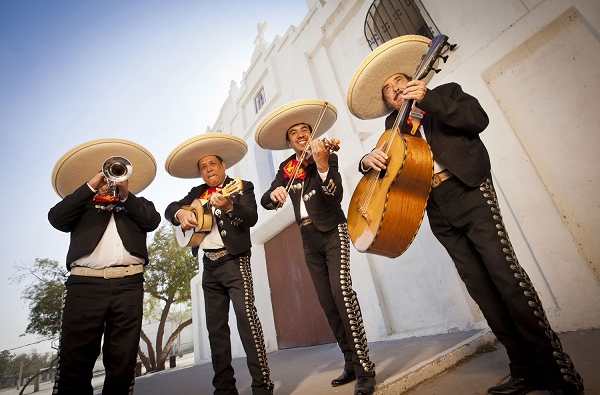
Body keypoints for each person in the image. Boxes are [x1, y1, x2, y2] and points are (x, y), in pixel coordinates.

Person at [347, 34, 584, 395]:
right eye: (387, 89)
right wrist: (366, 161)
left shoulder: (446, 93)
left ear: (413, 80)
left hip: (469, 190)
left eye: (399, 80)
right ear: (386, 102)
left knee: (506, 278)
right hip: (435, 208)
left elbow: (478, 119)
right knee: (482, 290)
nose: (395, 89)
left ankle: (557, 371)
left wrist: (430, 99)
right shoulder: (389, 131)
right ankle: (523, 370)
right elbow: (391, 174)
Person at [255, 99, 376, 395]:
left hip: (333, 230)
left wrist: (322, 165)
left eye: (305, 129)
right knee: (327, 302)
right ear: (288, 141)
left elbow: (333, 195)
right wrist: (276, 194)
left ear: (311, 134)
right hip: (308, 237)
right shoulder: (287, 168)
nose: (300, 134)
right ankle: (349, 362)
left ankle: (365, 368)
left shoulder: (325, 153)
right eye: (294, 132)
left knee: (342, 294)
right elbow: (266, 200)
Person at [48, 138, 161, 394]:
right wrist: (90, 186)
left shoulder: (137, 204)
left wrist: (125, 195)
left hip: (129, 284)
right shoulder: (82, 205)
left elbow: (152, 221)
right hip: (84, 285)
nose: (111, 179)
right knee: (74, 364)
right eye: (107, 175)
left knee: (122, 363)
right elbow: (56, 218)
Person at [164, 133, 274, 395]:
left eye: (212, 164)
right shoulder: (197, 193)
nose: (208, 169)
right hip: (209, 267)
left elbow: (251, 217)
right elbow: (169, 208)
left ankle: (262, 386)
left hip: (235, 261)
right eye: (203, 167)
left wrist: (228, 206)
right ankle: (224, 389)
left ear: (223, 166)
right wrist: (180, 214)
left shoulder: (241, 186)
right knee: (216, 330)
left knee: (247, 321)